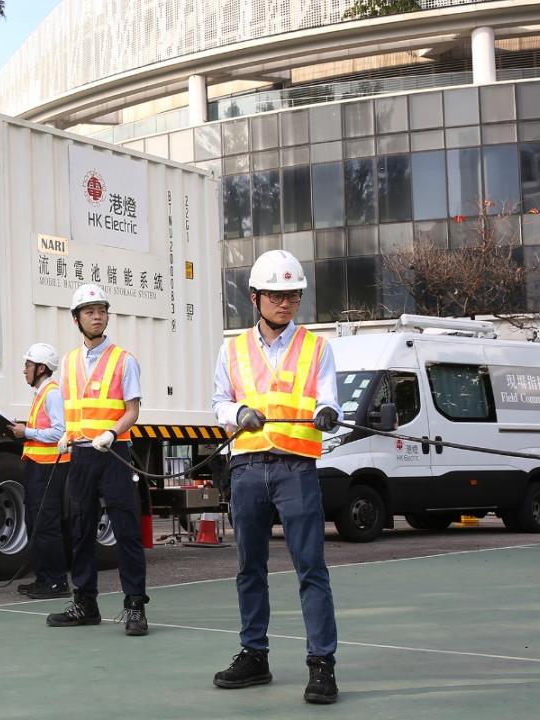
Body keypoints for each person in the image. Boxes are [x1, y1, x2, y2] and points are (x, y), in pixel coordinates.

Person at [210, 249, 341, 705]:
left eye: (292, 295)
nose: (285, 303)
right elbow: (219, 402)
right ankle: (254, 655)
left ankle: (321, 665)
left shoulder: (317, 348)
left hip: (296, 468)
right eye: (276, 295)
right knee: (250, 567)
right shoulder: (233, 349)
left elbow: (329, 401)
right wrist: (238, 412)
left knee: (310, 569)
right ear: (255, 297)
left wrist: (327, 414)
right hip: (247, 468)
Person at [46, 283, 149, 636]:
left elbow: (132, 411)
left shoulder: (124, 360)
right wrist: (66, 434)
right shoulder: (69, 362)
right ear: (76, 319)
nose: (97, 316)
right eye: (89, 311)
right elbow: (72, 409)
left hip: (113, 453)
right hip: (81, 455)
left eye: (101, 310)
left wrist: (111, 433)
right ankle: (85, 603)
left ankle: (135, 606)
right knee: (80, 530)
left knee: (126, 530)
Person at [11, 343, 70, 600]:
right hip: (38, 468)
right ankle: (43, 579)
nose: (24, 370)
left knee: (46, 526)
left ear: (41, 368)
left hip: (49, 470)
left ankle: (57, 582)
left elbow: (60, 431)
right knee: (35, 524)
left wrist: (27, 432)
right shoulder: (41, 393)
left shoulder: (52, 394)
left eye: (28, 365)